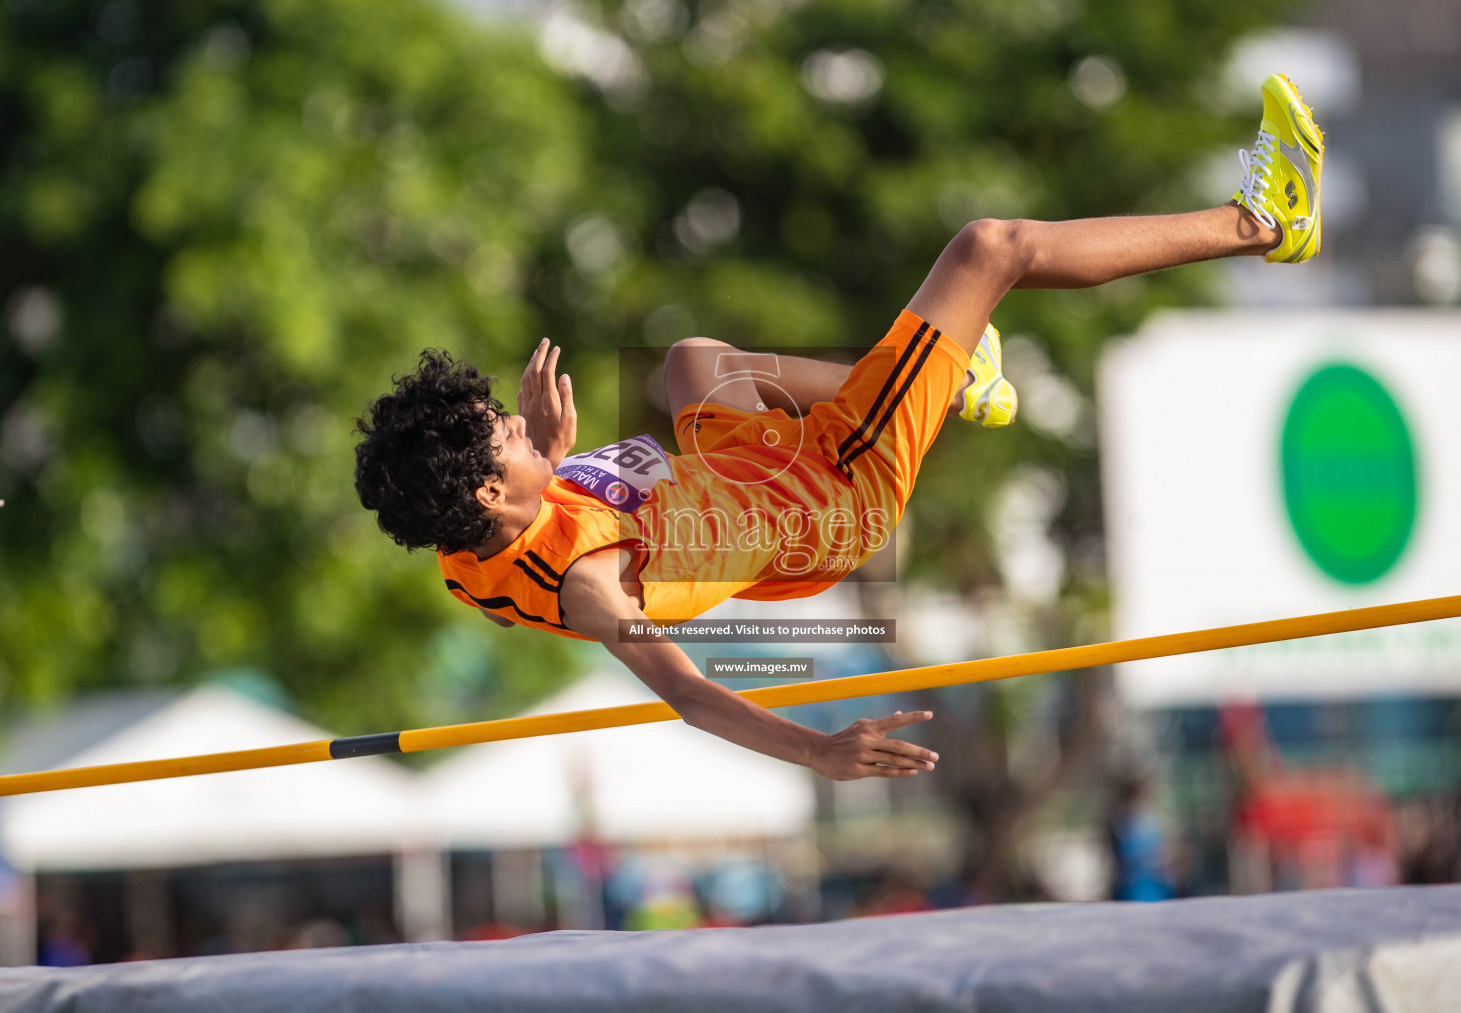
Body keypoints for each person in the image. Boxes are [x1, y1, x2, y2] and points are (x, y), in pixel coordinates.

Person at [354, 75, 1322, 783]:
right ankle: (1267, 221)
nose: (518, 428)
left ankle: (952, 381)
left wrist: (549, 459)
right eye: (505, 438)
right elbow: (687, 691)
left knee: (693, 361)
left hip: (737, 470)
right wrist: (819, 749)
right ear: (485, 488)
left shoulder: (468, 546)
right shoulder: (588, 585)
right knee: (992, 246)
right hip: (830, 494)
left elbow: (523, 549)